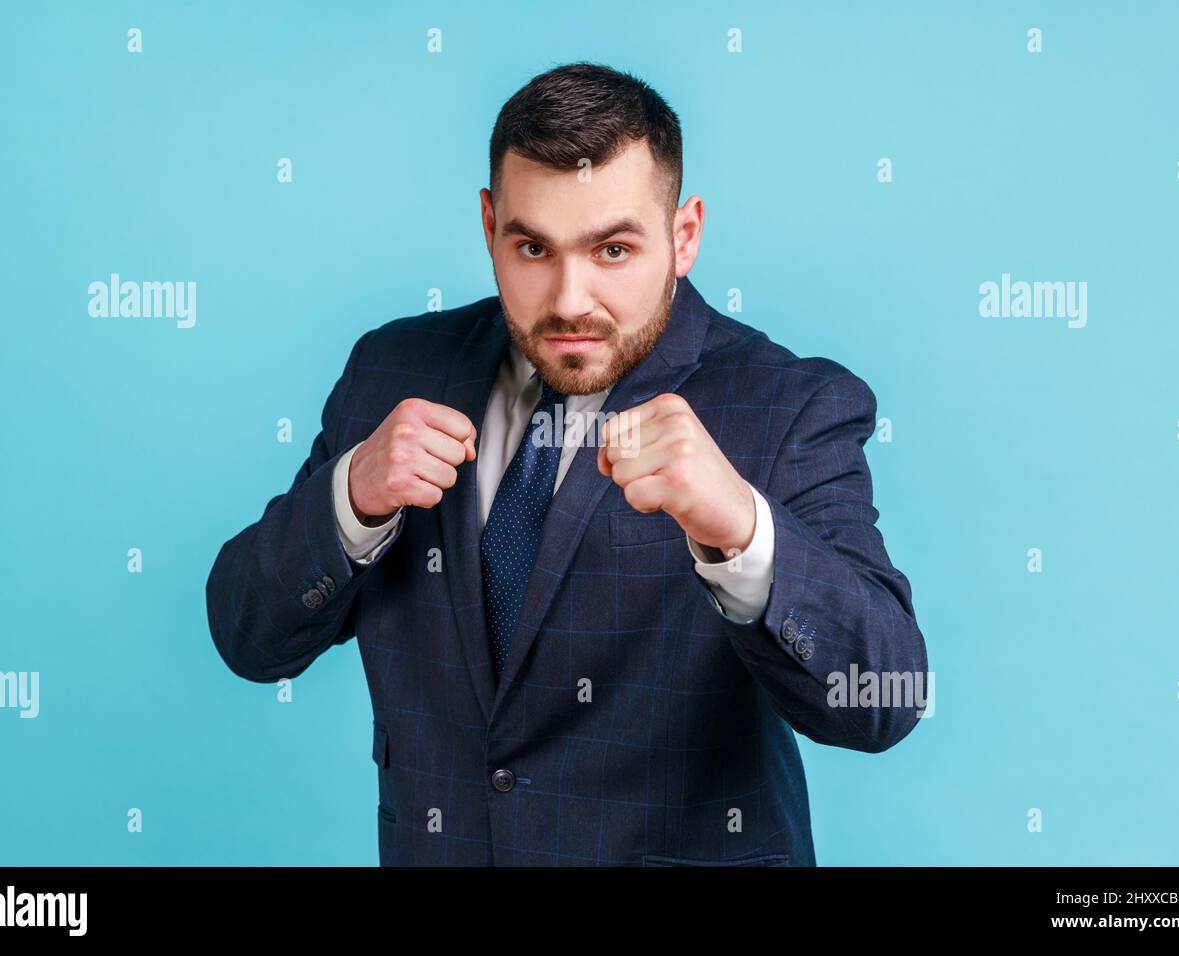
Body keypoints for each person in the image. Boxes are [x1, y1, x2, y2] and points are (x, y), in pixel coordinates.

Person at [206, 61, 929, 867]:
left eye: (613, 249)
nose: (569, 299)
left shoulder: (790, 404)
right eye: (532, 248)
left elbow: (886, 699)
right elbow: (248, 637)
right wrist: (349, 501)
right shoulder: (393, 371)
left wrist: (743, 530)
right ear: (489, 227)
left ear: (684, 235)